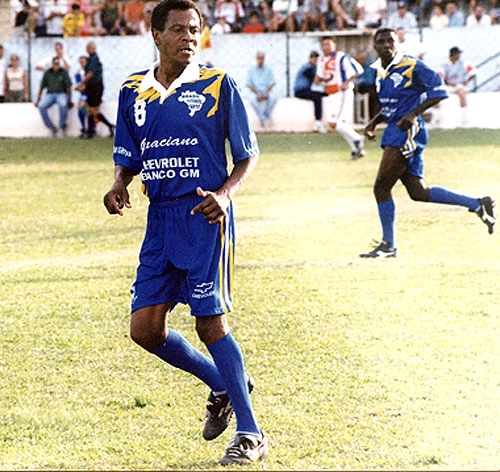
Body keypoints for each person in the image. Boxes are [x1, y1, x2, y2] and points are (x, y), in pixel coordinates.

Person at [102, 0, 268, 465]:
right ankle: (220, 383)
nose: (188, 37)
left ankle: (251, 432)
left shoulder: (219, 84)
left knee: (209, 321)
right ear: (155, 34)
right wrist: (119, 181)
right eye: (178, 29)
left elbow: (247, 154)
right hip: (160, 221)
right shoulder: (132, 90)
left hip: (204, 215)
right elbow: (128, 151)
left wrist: (227, 194)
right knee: (145, 329)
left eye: (194, 29)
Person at [359, 27, 495, 258]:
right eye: (381, 42)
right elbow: (391, 104)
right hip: (395, 129)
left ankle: (388, 245)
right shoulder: (379, 70)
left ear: (398, 43)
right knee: (418, 191)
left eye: (390, 41)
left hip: (407, 131)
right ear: (375, 46)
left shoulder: (412, 66)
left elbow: (439, 91)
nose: (386, 46)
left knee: (381, 187)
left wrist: (412, 114)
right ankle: (477, 203)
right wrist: (373, 122)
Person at [313, 36, 365, 159]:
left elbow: (358, 70)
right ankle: (356, 148)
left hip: (342, 93)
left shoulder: (341, 57)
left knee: (334, 122)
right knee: (335, 124)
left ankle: (358, 139)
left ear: (334, 45)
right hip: (331, 93)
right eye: (324, 44)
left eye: (328, 44)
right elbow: (322, 77)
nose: (326, 47)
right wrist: (318, 79)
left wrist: (346, 82)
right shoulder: (321, 59)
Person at [75, 41, 114, 138]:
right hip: (92, 87)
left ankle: (108, 127)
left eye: (89, 48)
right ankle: (90, 132)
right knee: (90, 110)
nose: (87, 50)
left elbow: (90, 74)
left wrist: (82, 84)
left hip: (96, 87)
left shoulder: (94, 60)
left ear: (94, 48)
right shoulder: (91, 59)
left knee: (93, 111)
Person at [34, 56, 73, 137]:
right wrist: (38, 100)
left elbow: (68, 87)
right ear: (52, 64)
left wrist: (69, 100)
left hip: (61, 93)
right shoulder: (47, 73)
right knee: (41, 106)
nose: (56, 66)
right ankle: (51, 127)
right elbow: (41, 87)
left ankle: (61, 127)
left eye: (58, 64)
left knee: (63, 105)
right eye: (55, 64)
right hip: (50, 94)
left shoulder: (64, 72)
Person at [294, 50, 327, 133]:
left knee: (322, 94)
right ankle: (318, 122)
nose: (315, 61)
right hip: (300, 90)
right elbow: (315, 79)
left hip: (307, 89)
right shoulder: (307, 67)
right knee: (317, 97)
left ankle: (319, 122)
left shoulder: (313, 67)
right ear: (310, 58)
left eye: (316, 59)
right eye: (314, 59)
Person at [245, 51, 277, 127]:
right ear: (256, 59)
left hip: (266, 91)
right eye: (259, 58)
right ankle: (264, 120)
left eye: (262, 58)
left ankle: (265, 117)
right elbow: (249, 84)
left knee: (273, 98)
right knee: (252, 99)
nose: (261, 60)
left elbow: (272, 82)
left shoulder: (268, 69)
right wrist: (257, 93)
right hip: (255, 91)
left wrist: (266, 92)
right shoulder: (251, 70)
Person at [353, 50, 381, 120]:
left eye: (361, 58)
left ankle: (374, 117)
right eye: (358, 59)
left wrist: (360, 80)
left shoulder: (370, 65)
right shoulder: (355, 66)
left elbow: (370, 80)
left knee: (374, 94)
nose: (360, 61)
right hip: (360, 87)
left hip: (371, 86)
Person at [74, 55, 88, 137]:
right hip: (84, 94)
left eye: (84, 62)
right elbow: (79, 87)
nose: (82, 64)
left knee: (92, 111)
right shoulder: (78, 74)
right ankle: (84, 128)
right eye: (81, 62)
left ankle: (91, 128)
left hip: (93, 93)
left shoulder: (91, 72)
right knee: (81, 108)